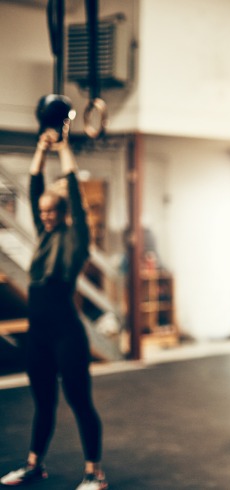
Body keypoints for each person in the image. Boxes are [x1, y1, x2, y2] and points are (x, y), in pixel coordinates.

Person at [0, 126, 108, 490]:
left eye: (51, 211)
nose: (44, 216)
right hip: (40, 333)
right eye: (42, 212)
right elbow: (33, 188)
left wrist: (63, 149)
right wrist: (40, 148)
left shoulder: (75, 240)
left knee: (79, 401)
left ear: (63, 212)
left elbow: (75, 193)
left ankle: (94, 472)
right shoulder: (45, 236)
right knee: (43, 401)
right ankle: (34, 465)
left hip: (66, 332)